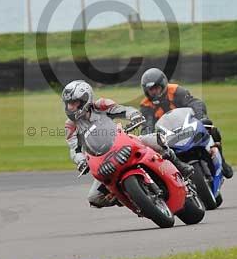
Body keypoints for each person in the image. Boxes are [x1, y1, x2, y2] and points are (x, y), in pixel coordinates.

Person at [62, 79, 194, 208]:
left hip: (121, 141)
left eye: (74, 103)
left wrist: (134, 115)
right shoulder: (71, 125)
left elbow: (123, 110)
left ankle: (179, 165)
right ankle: (126, 195)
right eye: (68, 104)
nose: (70, 107)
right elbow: (75, 148)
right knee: (94, 197)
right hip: (102, 159)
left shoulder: (101, 105)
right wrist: (80, 160)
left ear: (86, 99)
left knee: (155, 140)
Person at [139, 68, 234, 179]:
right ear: (146, 91)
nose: (154, 92)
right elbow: (147, 125)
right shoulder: (145, 105)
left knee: (211, 128)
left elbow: (195, 103)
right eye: (151, 90)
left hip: (187, 126)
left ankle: (222, 162)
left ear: (163, 85)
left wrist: (201, 117)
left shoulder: (175, 91)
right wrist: (148, 137)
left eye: (156, 88)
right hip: (167, 136)